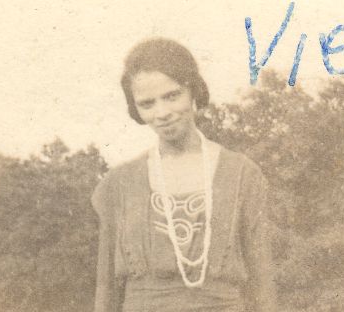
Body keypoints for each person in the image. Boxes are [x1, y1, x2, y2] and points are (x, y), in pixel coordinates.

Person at [91, 37, 277, 311]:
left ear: (193, 92)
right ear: (136, 109)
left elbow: (263, 281)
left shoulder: (241, 175)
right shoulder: (118, 185)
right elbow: (106, 288)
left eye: (172, 96)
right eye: (147, 103)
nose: (162, 112)